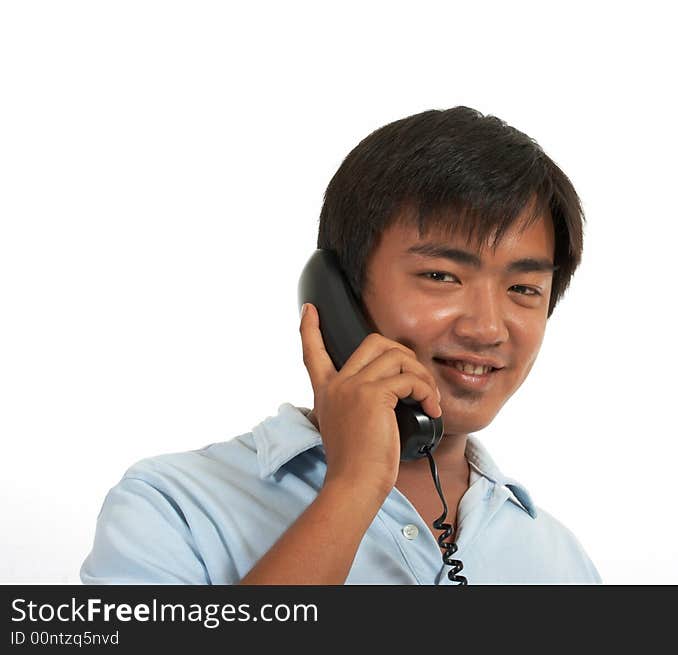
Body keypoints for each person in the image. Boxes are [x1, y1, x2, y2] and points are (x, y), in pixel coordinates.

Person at [80, 106, 601, 585]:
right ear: (339, 293)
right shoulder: (173, 508)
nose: (488, 328)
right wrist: (353, 489)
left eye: (523, 289)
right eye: (441, 275)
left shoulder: (559, 560)